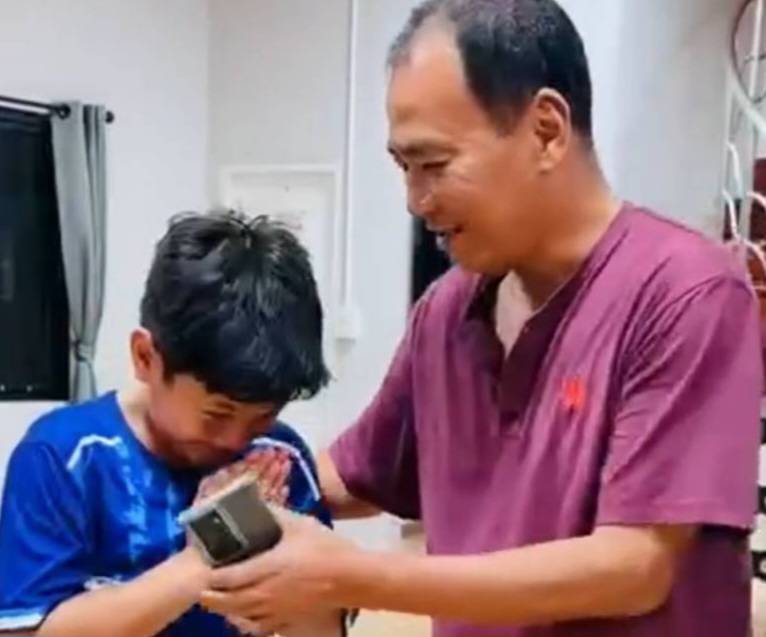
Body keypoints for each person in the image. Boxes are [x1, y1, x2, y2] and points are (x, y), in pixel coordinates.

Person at [199, 1, 764, 636]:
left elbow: (635, 566)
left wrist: (353, 577)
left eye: (434, 165)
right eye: (404, 168)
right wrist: (229, 471)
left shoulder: (687, 293)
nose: (416, 201)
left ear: (546, 131)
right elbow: (360, 472)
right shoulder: (446, 312)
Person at [0, 212, 342, 637]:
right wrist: (208, 550)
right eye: (217, 414)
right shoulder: (65, 457)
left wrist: (272, 561)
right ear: (145, 357)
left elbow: (323, 628)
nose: (236, 440)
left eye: (263, 416)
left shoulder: (278, 458)